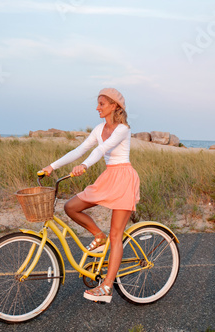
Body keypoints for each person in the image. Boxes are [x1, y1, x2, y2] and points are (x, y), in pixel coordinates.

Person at [41, 88, 140, 303]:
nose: (97, 107)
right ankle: (98, 235)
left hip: (123, 178)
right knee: (71, 207)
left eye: (102, 104)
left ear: (115, 106)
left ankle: (106, 287)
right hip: (108, 177)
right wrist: (52, 166)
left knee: (117, 235)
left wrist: (85, 165)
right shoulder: (98, 128)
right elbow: (80, 149)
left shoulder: (122, 129)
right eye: (98, 103)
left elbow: (102, 149)